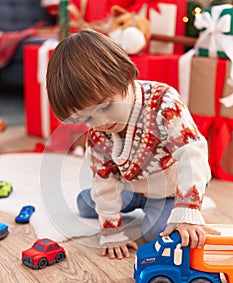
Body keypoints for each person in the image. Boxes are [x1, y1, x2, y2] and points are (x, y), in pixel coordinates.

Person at [46, 29, 220, 259]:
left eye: (107, 107)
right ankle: (136, 205)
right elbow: (105, 180)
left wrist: (187, 210)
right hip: (132, 187)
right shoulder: (98, 135)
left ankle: (185, 204)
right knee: (85, 204)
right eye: (87, 118)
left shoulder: (163, 103)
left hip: (171, 189)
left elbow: (192, 154)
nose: (102, 122)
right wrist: (112, 230)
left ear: (127, 76)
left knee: (157, 231)